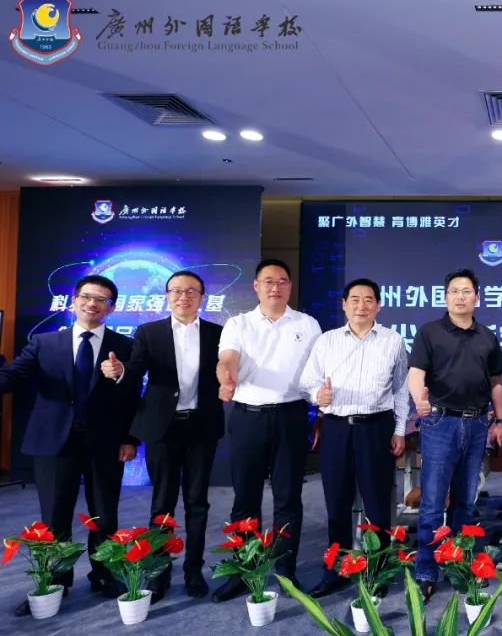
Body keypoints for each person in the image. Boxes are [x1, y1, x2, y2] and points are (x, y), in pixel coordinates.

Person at [0, 275, 139, 615]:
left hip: (105, 443)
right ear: (73, 301)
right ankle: (55, 583)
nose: (93, 304)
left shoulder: (125, 346)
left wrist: (130, 437)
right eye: (87, 297)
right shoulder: (44, 343)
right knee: (54, 515)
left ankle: (103, 574)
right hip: (54, 442)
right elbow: (11, 377)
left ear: (111, 307)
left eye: (101, 299)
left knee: (104, 513)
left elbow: (133, 397)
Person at [99, 270, 224, 601]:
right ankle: (159, 571)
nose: (184, 296)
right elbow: (135, 370)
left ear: (202, 298)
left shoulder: (218, 333)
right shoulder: (149, 332)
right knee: (162, 501)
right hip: (162, 428)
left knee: (197, 501)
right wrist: (120, 370)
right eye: (176, 291)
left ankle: (193, 569)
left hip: (201, 426)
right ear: (167, 296)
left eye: (191, 291)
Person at [212, 259, 321, 602]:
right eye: (269, 281)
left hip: (291, 416)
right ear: (256, 286)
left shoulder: (307, 324)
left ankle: (285, 571)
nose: (276, 287)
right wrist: (226, 377)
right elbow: (227, 358)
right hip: (248, 417)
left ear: (290, 286)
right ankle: (244, 570)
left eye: (282, 281)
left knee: (288, 498)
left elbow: (317, 372)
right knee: (245, 498)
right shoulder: (238, 323)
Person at [299, 278, 409, 598]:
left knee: (378, 505)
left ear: (378, 305)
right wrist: (316, 395)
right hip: (336, 428)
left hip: (376, 428)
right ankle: (336, 570)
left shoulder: (392, 341)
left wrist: (400, 430)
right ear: (344, 304)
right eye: (355, 300)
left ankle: (377, 571)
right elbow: (307, 382)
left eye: (368, 300)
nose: (362, 306)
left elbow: (401, 389)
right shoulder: (327, 341)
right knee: (337, 505)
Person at [407, 269, 502, 604]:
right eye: (454, 291)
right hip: (440, 423)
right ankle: (426, 570)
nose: (460, 296)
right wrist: (419, 399)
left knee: (466, 502)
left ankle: (459, 564)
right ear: (446, 296)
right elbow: (416, 373)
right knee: (433, 502)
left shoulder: (487, 336)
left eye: (466, 291)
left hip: (477, 424)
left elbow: (496, 382)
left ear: (477, 297)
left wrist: (500, 419)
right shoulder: (430, 332)